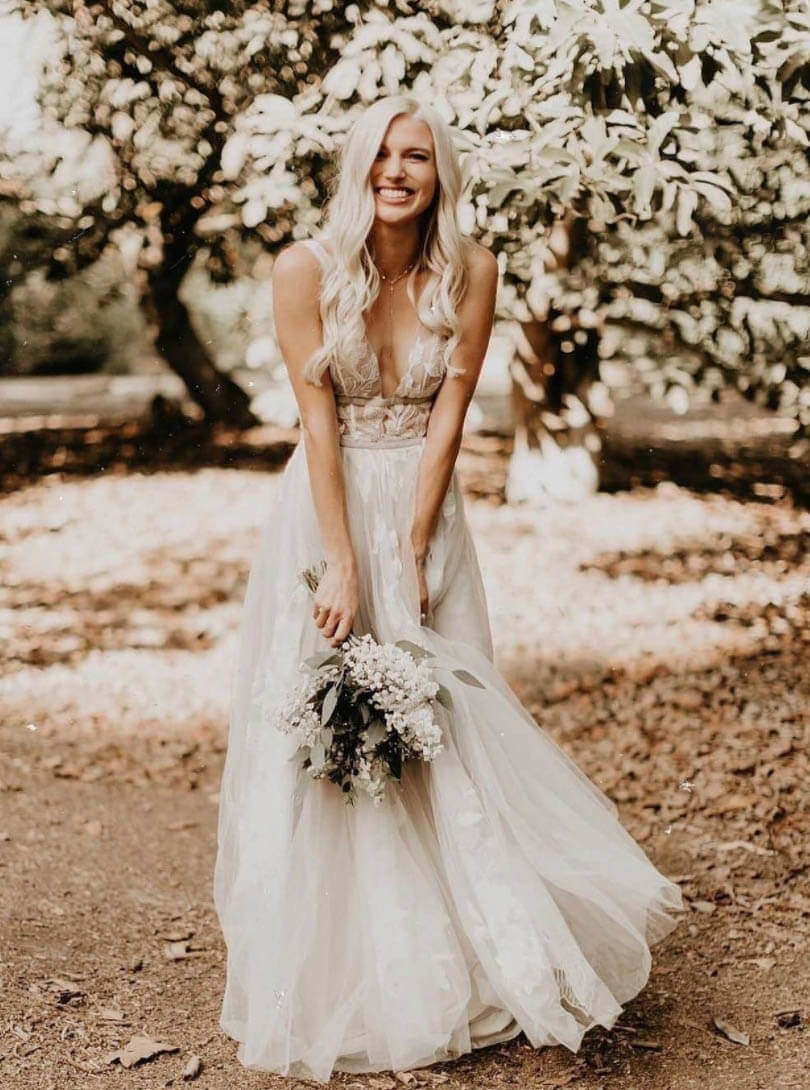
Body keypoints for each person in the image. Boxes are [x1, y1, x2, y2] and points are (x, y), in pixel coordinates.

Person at [213, 95, 682, 1083]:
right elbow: (317, 423)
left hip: (426, 508)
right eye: (382, 153)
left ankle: (475, 945)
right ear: (358, 167)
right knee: (329, 718)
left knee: (441, 718)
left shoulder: (471, 271)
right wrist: (344, 559)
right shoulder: (304, 269)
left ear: (440, 173)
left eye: (417, 154)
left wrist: (416, 542)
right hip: (327, 507)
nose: (397, 169)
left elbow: (453, 410)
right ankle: (345, 960)